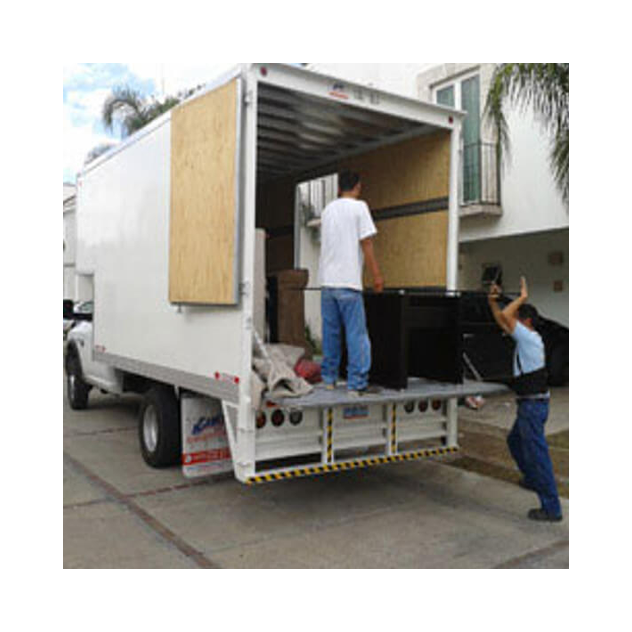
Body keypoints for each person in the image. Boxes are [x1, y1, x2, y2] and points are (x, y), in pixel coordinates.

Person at [488, 277, 563, 522]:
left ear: (527, 321)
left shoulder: (530, 338)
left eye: (518, 319)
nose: (514, 323)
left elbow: (506, 317)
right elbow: (502, 319)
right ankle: (532, 479)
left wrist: (520, 298)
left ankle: (551, 508)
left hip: (533, 406)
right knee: (515, 442)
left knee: (538, 456)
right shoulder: (528, 338)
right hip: (530, 404)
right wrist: (493, 301)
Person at [319, 171, 384, 397]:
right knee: (356, 335)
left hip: (327, 283)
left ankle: (329, 379)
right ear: (358, 187)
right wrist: (376, 275)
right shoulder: (359, 207)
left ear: (338, 188)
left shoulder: (327, 210)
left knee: (331, 333)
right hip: (348, 282)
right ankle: (356, 383)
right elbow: (366, 243)